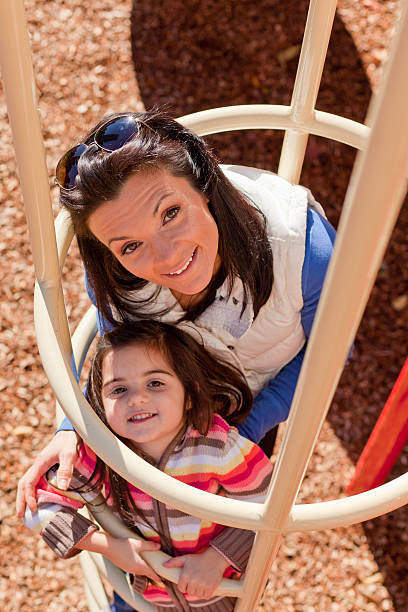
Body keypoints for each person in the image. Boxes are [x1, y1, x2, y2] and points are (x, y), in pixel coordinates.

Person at [17, 107, 336, 508]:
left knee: (227, 527)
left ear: (202, 182)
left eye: (170, 213)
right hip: (165, 401)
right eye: (130, 245)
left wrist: (242, 431)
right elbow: (122, 353)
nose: (168, 258)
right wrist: (74, 426)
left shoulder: (306, 250)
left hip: (254, 404)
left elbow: (331, 354)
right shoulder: (117, 281)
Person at [24, 320, 273, 611]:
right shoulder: (103, 457)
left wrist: (217, 558)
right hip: (146, 596)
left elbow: (268, 508)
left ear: (189, 394)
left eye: (155, 383)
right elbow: (38, 506)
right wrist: (110, 548)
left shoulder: (217, 448)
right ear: (100, 403)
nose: (137, 398)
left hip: (219, 588)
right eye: (118, 390)